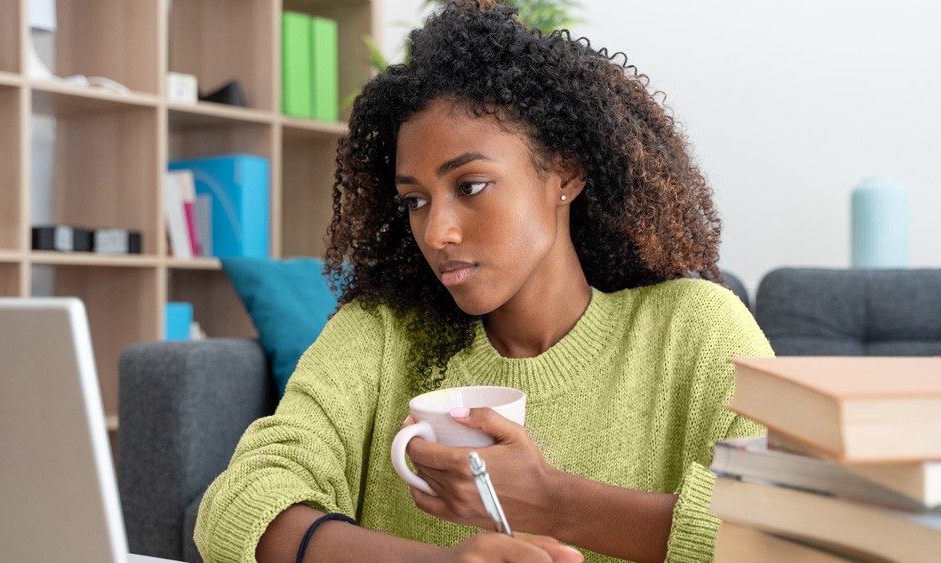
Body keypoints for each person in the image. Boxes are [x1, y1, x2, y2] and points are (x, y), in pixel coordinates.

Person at [194, 1, 772, 562]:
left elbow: (792, 533)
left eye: (469, 185)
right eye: (415, 200)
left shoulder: (694, 329)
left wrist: (553, 501)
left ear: (564, 173)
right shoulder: (380, 335)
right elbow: (238, 505)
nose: (437, 231)